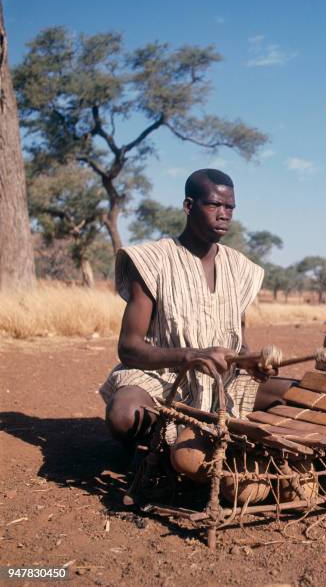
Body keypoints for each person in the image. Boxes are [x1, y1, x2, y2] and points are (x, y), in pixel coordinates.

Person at [99, 169, 294, 460]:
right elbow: (129, 349)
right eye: (214, 205)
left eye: (229, 207)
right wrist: (192, 356)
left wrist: (250, 361)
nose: (224, 214)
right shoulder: (152, 261)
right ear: (189, 206)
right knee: (125, 415)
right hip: (162, 379)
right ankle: (150, 450)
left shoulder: (240, 268)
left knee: (301, 393)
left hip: (222, 383)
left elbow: (237, 342)